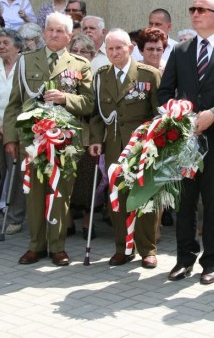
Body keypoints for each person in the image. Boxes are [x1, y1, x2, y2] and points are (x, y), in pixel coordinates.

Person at [158, 0, 214, 285]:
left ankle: (211, 261)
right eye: (193, 9)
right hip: (184, 140)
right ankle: (184, 259)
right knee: (184, 203)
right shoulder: (181, 51)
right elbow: (165, 91)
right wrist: (177, 113)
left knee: (212, 204)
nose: (196, 13)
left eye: (202, 9)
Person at [3, 12, 93, 266]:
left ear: (69, 36)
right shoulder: (25, 61)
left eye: (59, 31)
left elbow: (89, 104)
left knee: (60, 195)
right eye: (50, 30)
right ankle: (36, 246)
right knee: (33, 195)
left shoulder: (79, 64)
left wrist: (66, 98)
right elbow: (14, 103)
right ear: (44, 33)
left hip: (64, 142)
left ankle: (57, 247)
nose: (54, 34)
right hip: (32, 140)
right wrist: (10, 138)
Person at [89, 28, 161, 268]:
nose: (114, 52)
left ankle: (147, 249)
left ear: (130, 48)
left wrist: (156, 143)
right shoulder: (101, 76)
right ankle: (123, 248)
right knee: (117, 198)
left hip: (142, 146)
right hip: (114, 145)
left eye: (119, 47)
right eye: (110, 48)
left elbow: (158, 113)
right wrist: (96, 139)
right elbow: (97, 113)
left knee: (144, 196)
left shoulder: (148, 75)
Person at [0, 28, 26, 235]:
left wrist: (11, 129)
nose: (1, 46)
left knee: (17, 175)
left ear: (17, 46)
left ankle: (15, 217)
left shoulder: (24, 67)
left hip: (17, 130)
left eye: (5, 43)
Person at [67, 33, 97, 239]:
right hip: (67, 134)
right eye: (74, 50)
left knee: (88, 181)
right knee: (68, 177)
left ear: (92, 55)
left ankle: (88, 222)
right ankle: (68, 221)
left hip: (89, 136)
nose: (78, 54)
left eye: (84, 51)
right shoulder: (64, 75)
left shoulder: (98, 76)